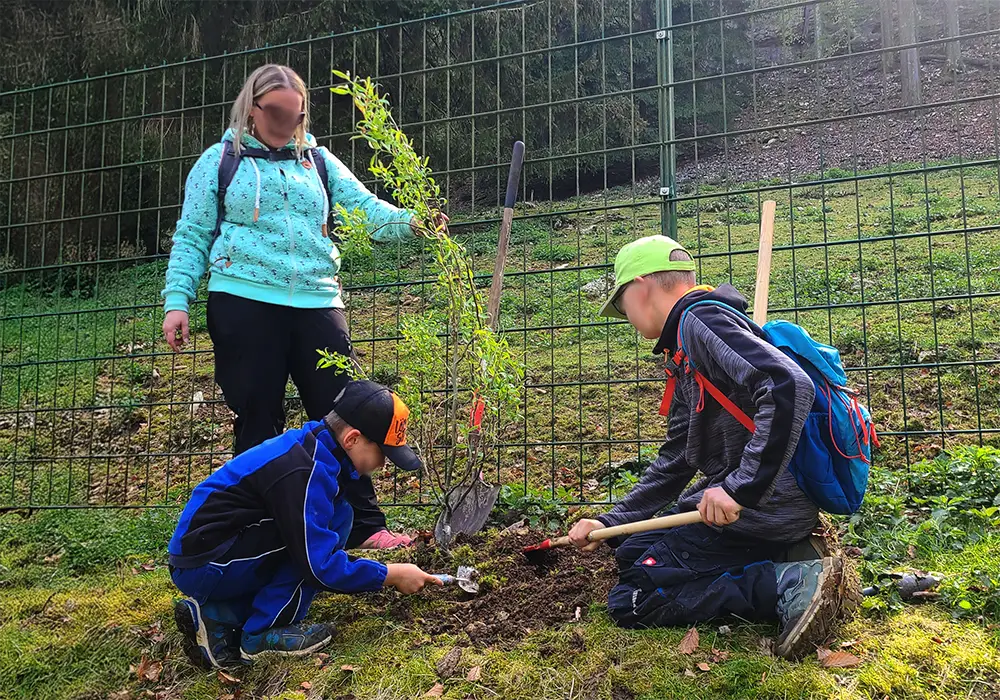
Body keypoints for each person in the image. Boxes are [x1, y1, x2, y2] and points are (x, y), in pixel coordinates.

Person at [161, 64, 441, 550]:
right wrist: (177, 300)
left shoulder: (319, 162)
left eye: (298, 115)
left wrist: (413, 222)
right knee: (258, 416)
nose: (289, 125)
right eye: (278, 114)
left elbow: (366, 209)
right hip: (243, 299)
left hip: (317, 300)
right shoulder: (220, 160)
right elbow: (192, 234)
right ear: (253, 109)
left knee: (343, 413)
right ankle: (257, 531)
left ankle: (364, 526)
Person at [568, 235, 844, 660]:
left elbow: (788, 386)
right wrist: (609, 520)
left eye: (622, 305)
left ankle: (787, 584)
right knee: (630, 551)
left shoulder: (701, 323)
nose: (626, 318)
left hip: (761, 505)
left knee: (633, 598)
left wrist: (739, 488)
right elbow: (678, 455)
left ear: (640, 287)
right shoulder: (685, 347)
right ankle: (783, 553)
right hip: (756, 506)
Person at [169, 379, 443, 668]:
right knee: (314, 545)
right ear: (352, 439)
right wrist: (391, 574)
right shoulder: (304, 472)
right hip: (207, 563)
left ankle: (220, 615)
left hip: (210, 555)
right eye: (382, 454)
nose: (383, 465)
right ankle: (261, 634)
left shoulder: (314, 449)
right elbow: (318, 567)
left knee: (338, 516)